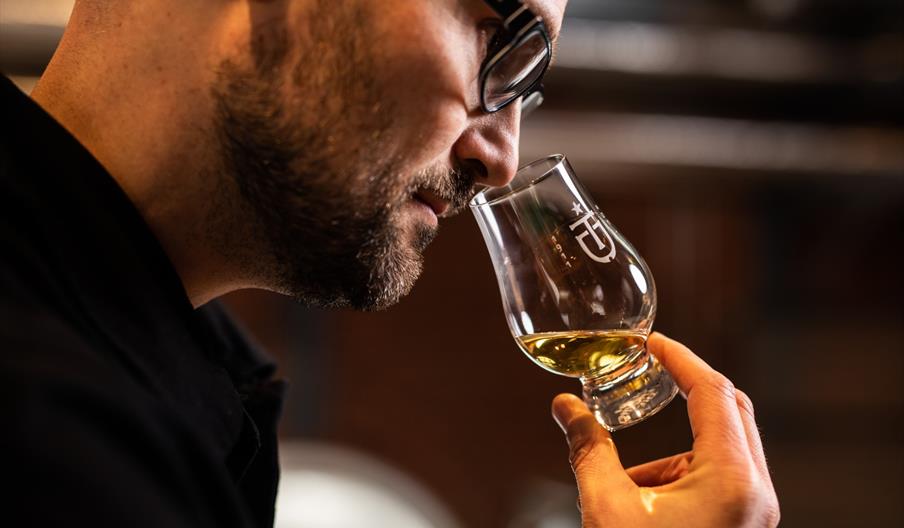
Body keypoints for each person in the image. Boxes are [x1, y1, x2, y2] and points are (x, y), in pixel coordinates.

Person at [0, 0, 779, 526]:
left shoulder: (168, 378)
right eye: (496, 38)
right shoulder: (53, 426)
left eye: (526, 91)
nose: (502, 158)